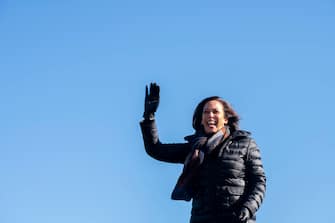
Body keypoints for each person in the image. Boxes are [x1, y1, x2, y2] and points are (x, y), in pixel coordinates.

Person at [140, 83, 266, 223]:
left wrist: (248, 208)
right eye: (206, 112)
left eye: (215, 112)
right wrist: (149, 118)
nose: (210, 115)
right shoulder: (193, 148)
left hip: (236, 219)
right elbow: (155, 150)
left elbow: (258, 182)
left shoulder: (245, 144)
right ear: (201, 119)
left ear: (225, 119)